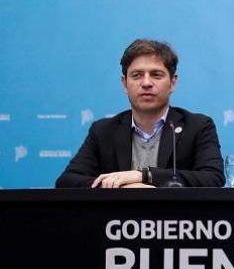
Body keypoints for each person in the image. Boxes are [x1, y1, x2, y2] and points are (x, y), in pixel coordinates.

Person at [56, 39, 225, 188]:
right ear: (124, 83)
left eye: (156, 75)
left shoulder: (197, 126)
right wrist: (122, 186)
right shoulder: (103, 130)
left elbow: (213, 178)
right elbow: (67, 181)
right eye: (137, 75)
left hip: (176, 221)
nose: (146, 83)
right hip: (118, 222)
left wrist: (144, 175)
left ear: (173, 82)